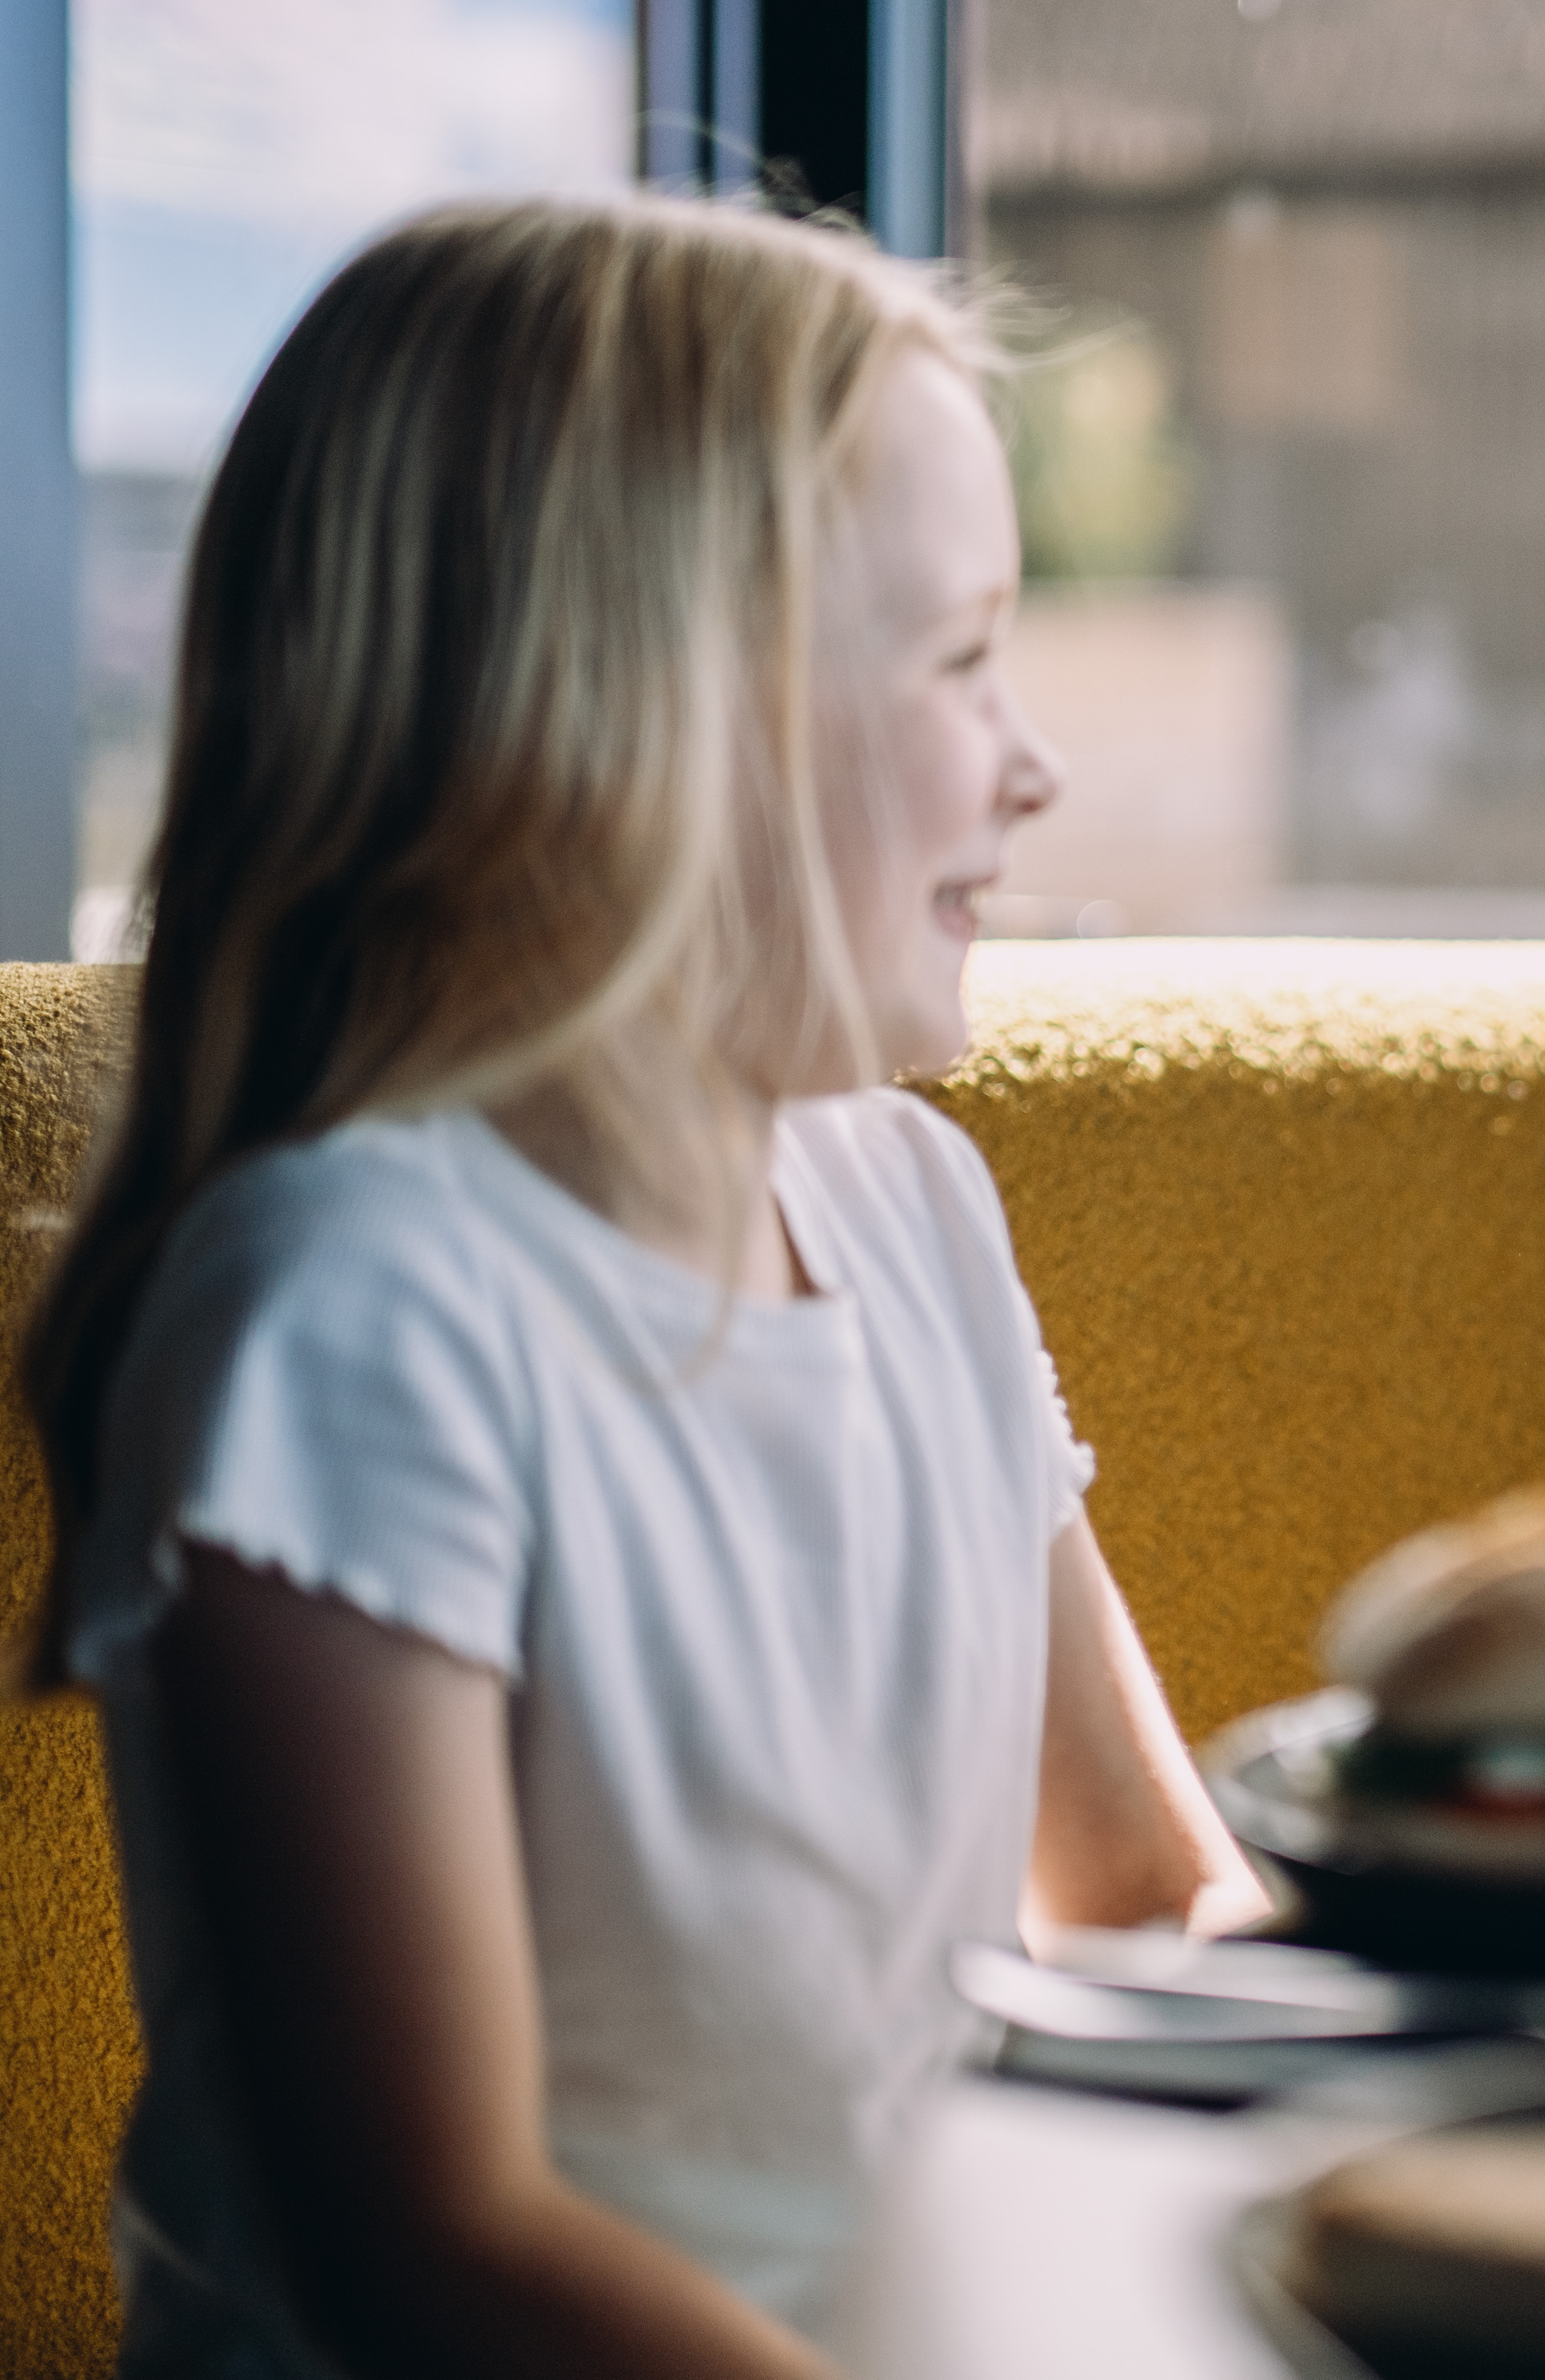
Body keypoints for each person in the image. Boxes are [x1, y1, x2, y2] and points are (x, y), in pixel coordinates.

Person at [18, 194, 1270, 2379]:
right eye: (963, 658)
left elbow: (1152, 1890)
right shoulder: (348, 1311)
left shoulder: (914, 1203)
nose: (1035, 760)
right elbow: (441, 2240)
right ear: (649, 719)